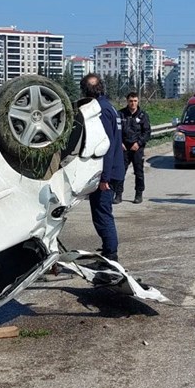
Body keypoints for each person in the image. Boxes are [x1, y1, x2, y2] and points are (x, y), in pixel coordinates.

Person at [81, 73, 124, 260]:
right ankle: (109, 251)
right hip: (113, 169)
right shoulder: (110, 107)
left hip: (107, 173)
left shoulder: (101, 110)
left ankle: (111, 257)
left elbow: (106, 145)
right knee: (102, 213)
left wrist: (104, 178)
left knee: (102, 215)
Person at [115, 91, 152, 204]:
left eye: (135, 101)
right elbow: (115, 130)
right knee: (120, 172)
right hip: (123, 148)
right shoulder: (120, 114)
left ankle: (138, 194)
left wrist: (139, 143)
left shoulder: (143, 115)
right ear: (127, 101)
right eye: (131, 101)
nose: (133, 103)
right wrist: (119, 143)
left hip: (137, 148)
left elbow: (147, 132)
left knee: (139, 172)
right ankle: (118, 194)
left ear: (138, 101)